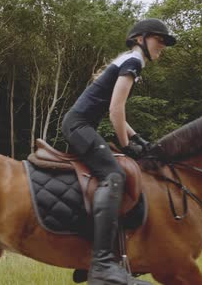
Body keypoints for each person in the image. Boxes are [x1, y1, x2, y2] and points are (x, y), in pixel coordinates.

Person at [62, 18, 176, 285]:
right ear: (141, 39)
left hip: (79, 125)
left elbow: (116, 112)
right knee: (114, 175)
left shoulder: (129, 60)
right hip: (78, 126)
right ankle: (101, 264)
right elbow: (116, 108)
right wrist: (126, 145)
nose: (163, 46)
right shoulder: (133, 62)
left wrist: (138, 139)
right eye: (160, 40)